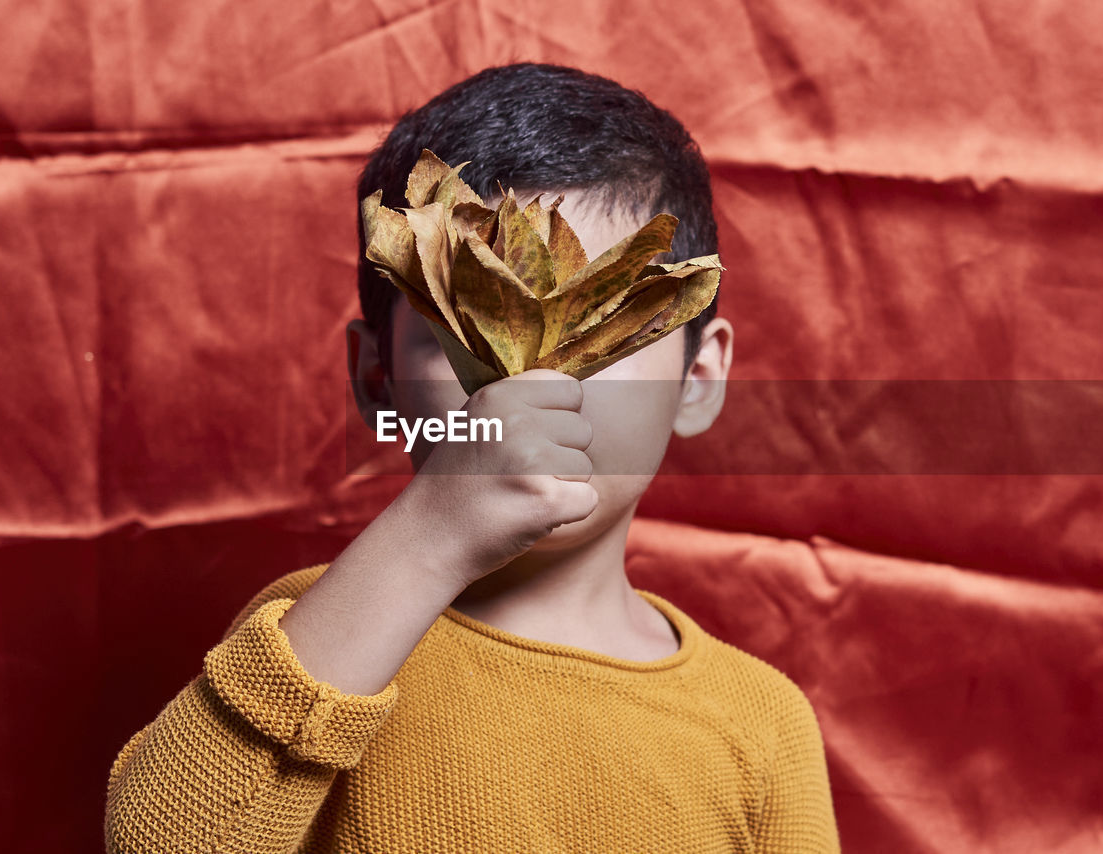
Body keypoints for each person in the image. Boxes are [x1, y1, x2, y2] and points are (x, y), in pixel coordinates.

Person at [105, 62, 840, 853]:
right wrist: (425, 536)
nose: (534, 379)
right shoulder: (324, 633)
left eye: (607, 321)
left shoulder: (761, 723)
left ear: (697, 378)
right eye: (470, 324)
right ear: (377, 378)